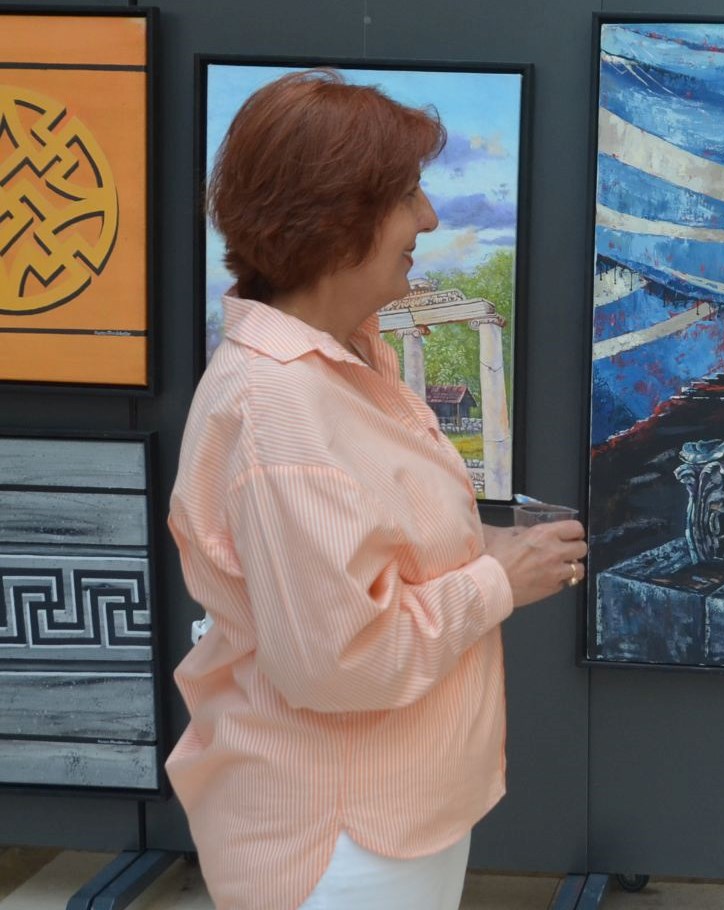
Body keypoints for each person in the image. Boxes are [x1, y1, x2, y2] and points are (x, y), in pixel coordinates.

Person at [166, 70, 586, 910]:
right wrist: (498, 581)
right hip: (341, 839)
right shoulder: (281, 408)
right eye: (405, 196)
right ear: (333, 218)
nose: (428, 217)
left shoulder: (348, 360)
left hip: (389, 815)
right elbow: (338, 662)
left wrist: (484, 548)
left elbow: (362, 560)